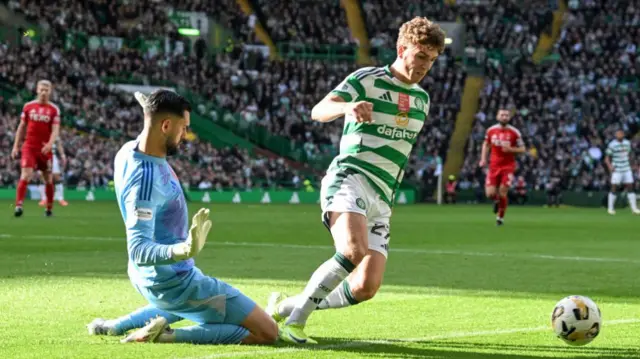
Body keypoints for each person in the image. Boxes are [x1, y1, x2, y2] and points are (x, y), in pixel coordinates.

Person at [266, 17, 446, 344]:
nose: (425, 66)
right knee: (352, 250)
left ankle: (282, 308)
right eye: (421, 56)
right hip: (350, 179)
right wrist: (348, 106)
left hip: (382, 197)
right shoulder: (367, 79)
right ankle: (295, 323)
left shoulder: (422, 100)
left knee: (366, 287)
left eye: (432, 60)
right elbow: (319, 110)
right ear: (401, 48)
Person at [86, 90, 277, 345]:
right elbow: (139, 249)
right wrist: (183, 250)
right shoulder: (145, 181)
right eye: (183, 128)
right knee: (267, 332)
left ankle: (115, 326)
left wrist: (148, 104)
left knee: (188, 306)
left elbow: (150, 121)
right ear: (165, 125)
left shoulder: (128, 151)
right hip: (174, 282)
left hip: (153, 278)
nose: (185, 135)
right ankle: (165, 336)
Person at [11, 80, 61, 217]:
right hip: (29, 147)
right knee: (26, 174)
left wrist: (50, 144)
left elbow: (56, 130)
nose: (44, 92)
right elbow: (21, 127)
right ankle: (19, 206)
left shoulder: (54, 109)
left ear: (50, 91)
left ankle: (49, 209)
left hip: (45, 148)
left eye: (47, 90)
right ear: (37, 90)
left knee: (48, 179)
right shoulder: (28, 106)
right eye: (42, 89)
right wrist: (16, 146)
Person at [479, 108, 526, 225]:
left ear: (509, 118)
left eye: (506, 115)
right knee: (489, 193)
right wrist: (483, 159)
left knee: (503, 192)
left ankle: (500, 218)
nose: (504, 117)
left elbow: (523, 149)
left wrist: (511, 149)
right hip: (494, 165)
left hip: (508, 166)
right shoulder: (491, 131)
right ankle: (496, 201)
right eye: (502, 115)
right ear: (497, 116)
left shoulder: (515, 132)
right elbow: (486, 144)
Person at [605, 129, 640, 215]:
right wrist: (610, 166)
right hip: (617, 169)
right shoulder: (612, 144)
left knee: (630, 186)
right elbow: (606, 158)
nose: (620, 135)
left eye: (621, 134)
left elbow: (629, 155)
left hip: (626, 168)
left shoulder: (627, 143)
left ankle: (634, 209)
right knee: (614, 187)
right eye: (618, 134)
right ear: (616, 135)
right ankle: (610, 208)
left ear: (623, 135)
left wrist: (633, 165)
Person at [39, 139, 68, 207]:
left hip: (52, 155)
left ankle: (61, 199)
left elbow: (58, 143)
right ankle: (44, 199)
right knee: (42, 177)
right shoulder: (39, 131)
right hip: (42, 154)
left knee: (56, 177)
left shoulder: (53, 131)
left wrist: (62, 155)